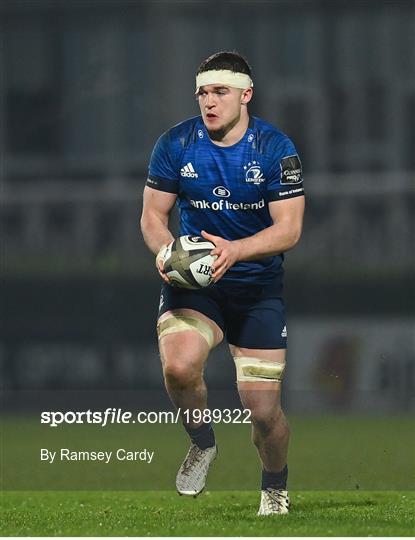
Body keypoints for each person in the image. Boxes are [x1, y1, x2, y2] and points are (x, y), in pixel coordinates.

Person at [140, 51, 305, 515]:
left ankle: (274, 487)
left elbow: (289, 229)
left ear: (245, 94)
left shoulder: (275, 149)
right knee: (178, 366)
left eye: (220, 92)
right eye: (203, 93)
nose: (208, 102)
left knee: (263, 410)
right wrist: (164, 251)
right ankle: (202, 443)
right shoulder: (175, 143)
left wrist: (236, 250)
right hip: (197, 283)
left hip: (256, 288)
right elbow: (154, 215)